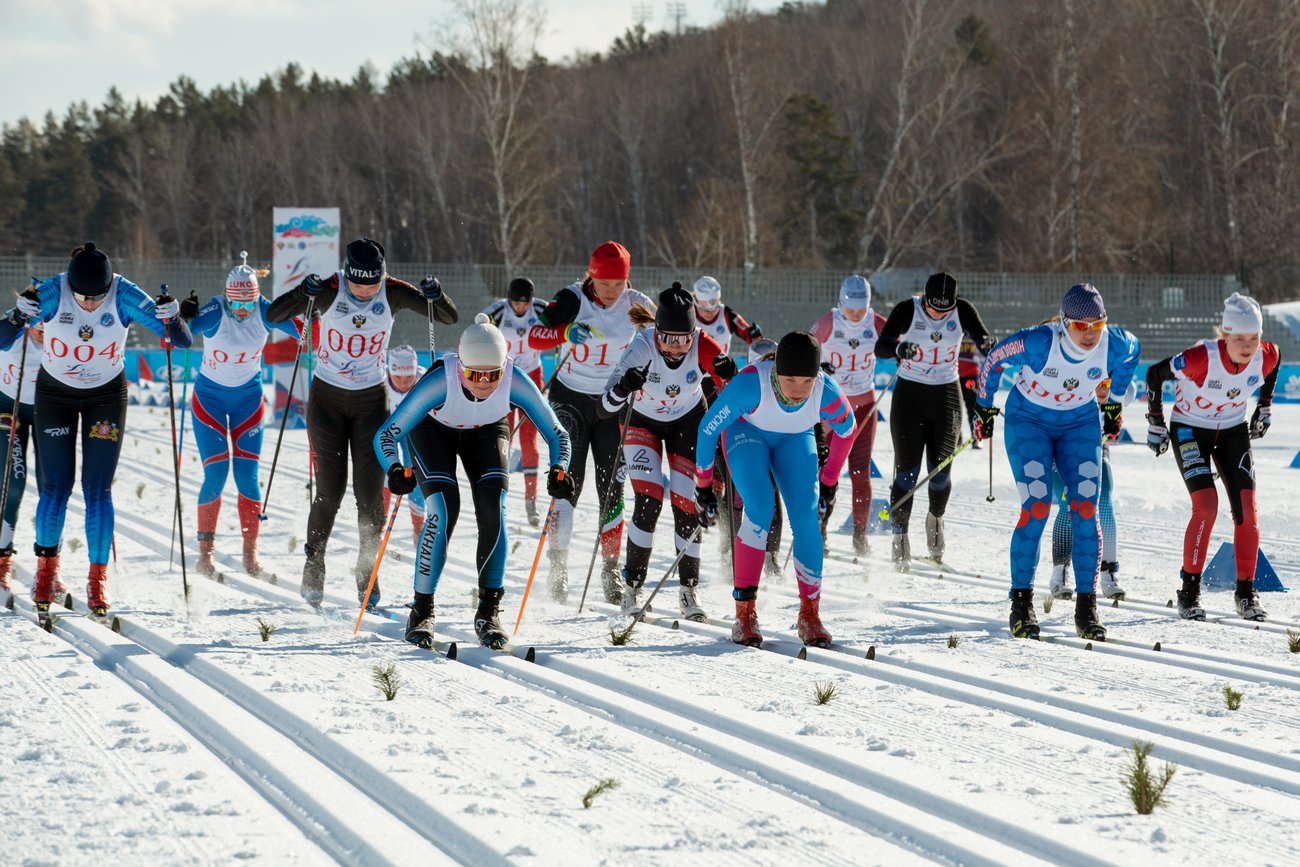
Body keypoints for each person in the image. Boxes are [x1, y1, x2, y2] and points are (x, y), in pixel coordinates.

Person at [1, 242, 192, 617]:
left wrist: (173, 316)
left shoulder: (124, 294)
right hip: (55, 396)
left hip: (106, 397)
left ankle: (97, 579)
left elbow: (180, 339)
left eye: (97, 297)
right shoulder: (53, 293)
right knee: (55, 490)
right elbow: (4, 339)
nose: (89, 304)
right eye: (83, 298)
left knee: (97, 490)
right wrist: (16, 317)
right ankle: (46, 575)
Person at [266, 237, 457, 608]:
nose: (366, 291)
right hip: (327, 403)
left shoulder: (393, 291)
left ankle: (367, 571)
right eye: (359, 284)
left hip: (371, 403)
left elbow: (447, 317)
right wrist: (302, 292)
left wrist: (437, 295)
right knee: (330, 492)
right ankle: (314, 563)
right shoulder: (330, 290)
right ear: (347, 274)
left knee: (370, 496)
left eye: (372, 284)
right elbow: (273, 315)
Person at [373, 314, 571, 648]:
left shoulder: (514, 378)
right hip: (432, 432)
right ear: (460, 365)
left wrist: (559, 469)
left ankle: (489, 611)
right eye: (473, 374)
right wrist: (394, 469)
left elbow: (557, 433)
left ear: (504, 364)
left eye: (492, 374)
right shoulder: (441, 379)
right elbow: (387, 434)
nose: (483, 382)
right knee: (443, 509)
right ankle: (421, 609)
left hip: (487, 433)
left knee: (494, 508)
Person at [973, 283, 1140, 641]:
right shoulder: (1039, 343)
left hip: (1078, 424)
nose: (1090, 334)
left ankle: (1086, 606)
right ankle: (1021, 603)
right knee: (1036, 507)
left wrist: (1111, 402)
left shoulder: (1116, 342)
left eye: (1098, 325)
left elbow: (1132, 354)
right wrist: (984, 408)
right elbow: (994, 359)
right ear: (1064, 323)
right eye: (1081, 326)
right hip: (1028, 422)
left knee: (1085, 509)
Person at [694, 332, 857, 647]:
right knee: (759, 508)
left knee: (808, 520)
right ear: (776, 371)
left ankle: (809, 614)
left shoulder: (826, 391)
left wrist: (830, 481)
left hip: (794, 438)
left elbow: (847, 432)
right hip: (746, 432)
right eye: (790, 380)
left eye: (806, 382)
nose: (798, 391)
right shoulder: (750, 384)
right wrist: (703, 486)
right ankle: (745, 614)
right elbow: (708, 429)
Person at [526, 241, 654, 604]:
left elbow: (663, 340)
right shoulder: (571, 298)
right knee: (568, 482)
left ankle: (611, 569)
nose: (612, 292)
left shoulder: (636, 302)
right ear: (592, 277)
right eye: (605, 284)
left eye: (619, 283)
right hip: (570, 397)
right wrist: (565, 332)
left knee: (611, 487)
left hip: (614, 402)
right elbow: (535, 335)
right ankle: (558, 565)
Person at [599, 284, 735, 620]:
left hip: (687, 421)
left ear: (693, 334)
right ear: (656, 331)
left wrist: (728, 373)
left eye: (683, 339)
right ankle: (633, 589)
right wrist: (623, 386)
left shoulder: (702, 344)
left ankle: (689, 592)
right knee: (649, 499)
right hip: (640, 423)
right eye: (668, 338)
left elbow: (732, 383)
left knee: (686, 502)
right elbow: (604, 407)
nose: (675, 347)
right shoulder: (642, 346)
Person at [1145, 293, 1279, 622]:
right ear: (1224, 334)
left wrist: (1265, 405)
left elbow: (1273, 364)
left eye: (1254, 338)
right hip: (1191, 429)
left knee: (1247, 510)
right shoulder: (1200, 358)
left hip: (1233, 431)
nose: (1247, 346)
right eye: (1238, 338)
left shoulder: (1265, 355)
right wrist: (1156, 423)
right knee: (1206, 505)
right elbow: (1154, 375)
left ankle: (1246, 593)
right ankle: (1189, 593)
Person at [179, 257, 301, 577]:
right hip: (210, 403)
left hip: (249, 401)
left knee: (247, 475)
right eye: (236, 303)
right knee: (216, 475)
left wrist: (311, 310)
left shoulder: (264, 309)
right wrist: (182, 316)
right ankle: (206, 554)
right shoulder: (217, 311)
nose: (243, 310)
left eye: (248, 303)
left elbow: (306, 332)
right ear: (226, 295)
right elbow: (178, 336)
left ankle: (251, 553)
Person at [875, 272, 992, 568]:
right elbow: (882, 345)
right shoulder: (907, 309)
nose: (938, 314)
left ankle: (935, 520)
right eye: (933, 307)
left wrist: (988, 344)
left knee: (940, 472)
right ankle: (900, 535)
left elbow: (982, 338)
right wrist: (900, 349)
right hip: (909, 396)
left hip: (946, 395)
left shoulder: (962, 309)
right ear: (924, 298)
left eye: (944, 309)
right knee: (907, 473)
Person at [811, 275, 888, 557]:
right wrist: (820, 364)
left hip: (864, 404)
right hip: (831, 407)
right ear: (840, 302)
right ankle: (819, 530)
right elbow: (807, 348)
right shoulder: (828, 323)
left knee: (860, 471)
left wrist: (903, 349)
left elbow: (895, 341)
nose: (855, 314)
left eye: (861, 308)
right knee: (824, 473)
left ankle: (860, 534)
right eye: (850, 309)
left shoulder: (875, 322)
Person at [1048, 379, 1136, 601]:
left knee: (1103, 497)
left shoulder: (1119, 388)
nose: (1103, 390)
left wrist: (1115, 414)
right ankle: (1061, 573)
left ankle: (1108, 573)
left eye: (1107, 384)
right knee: (1069, 502)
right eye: (1098, 384)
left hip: (1096, 444)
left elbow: (1129, 388)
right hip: (1062, 445)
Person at [482, 277, 549, 527]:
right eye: (516, 303)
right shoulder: (498, 310)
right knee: (503, 438)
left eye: (524, 303)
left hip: (532, 375)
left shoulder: (541, 309)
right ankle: (498, 498)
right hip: (505, 376)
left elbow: (561, 323)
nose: (520, 308)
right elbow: (479, 329)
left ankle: (531, 502)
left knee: (529, 440)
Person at [0, 319, 44, 593]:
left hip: (45, 411)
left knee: (51, 488)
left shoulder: (61, 339)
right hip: (7, 409)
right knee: (13, 485)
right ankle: (2, 559)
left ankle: (49, 567)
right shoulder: (10, 333)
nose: (43, 331)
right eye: (38, 325)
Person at [381, 345, 428, 546]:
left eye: (408, 378)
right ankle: (379, 525)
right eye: (397, 378)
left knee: (414, 476)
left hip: (413, 433)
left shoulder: (425, 380)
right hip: (388, 432)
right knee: (386, 473)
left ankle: (419, 527)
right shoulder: (379, 380)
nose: (402, 383)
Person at [691, 276, 763, 355]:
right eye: (706, 310)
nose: (710, 313)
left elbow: (746, 332)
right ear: (696, 305)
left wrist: (755, 336)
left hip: (721, 366)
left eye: (715, 308)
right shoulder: (689, 315)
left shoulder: (727, 315)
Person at [957, 337, 986, 447]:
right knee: (954, 409)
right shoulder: (956, 331)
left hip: (971, 377)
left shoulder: (975, 334)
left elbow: (985, 353)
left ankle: (976, 437)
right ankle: (956, 438)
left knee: (972, 408)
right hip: (954, 376)